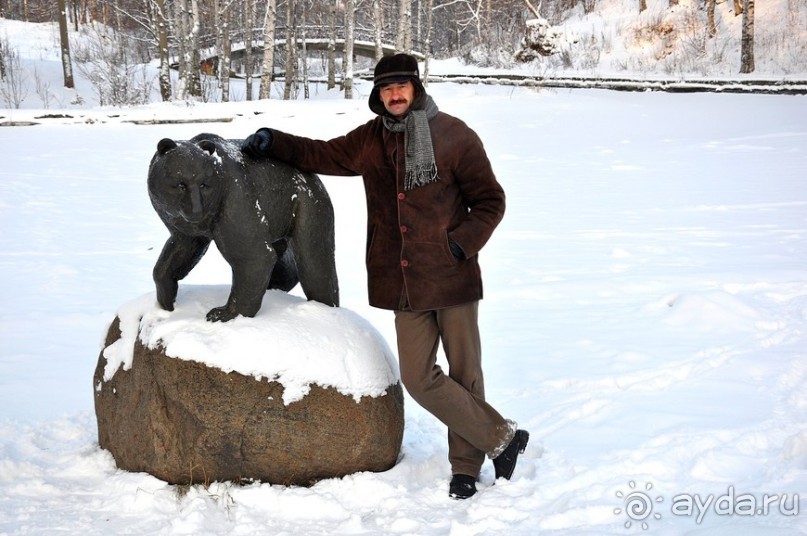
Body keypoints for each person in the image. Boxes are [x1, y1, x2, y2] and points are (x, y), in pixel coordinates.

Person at [241, 53, 528, 500]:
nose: (394, 95)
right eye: (386, 88)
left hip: (451, 277)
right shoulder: (371, 140)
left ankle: (466, 467)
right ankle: (504, 438)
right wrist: (274, 141)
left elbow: (490, 200)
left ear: (416, 87)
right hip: (402, 281)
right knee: (419, 379)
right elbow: (322, 153)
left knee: (465, 374)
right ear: (378, 94)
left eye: (402, 86)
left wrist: (459, 244)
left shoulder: (455, 135)